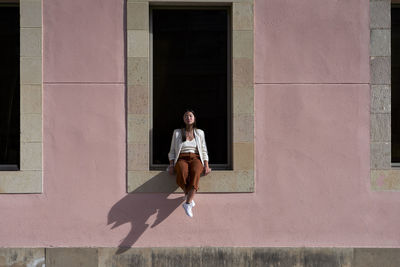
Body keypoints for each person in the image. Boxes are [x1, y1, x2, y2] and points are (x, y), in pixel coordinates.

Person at [168, 109, 211, 217]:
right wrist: (172, 165)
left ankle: (187, 202)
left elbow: (204, 149)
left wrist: (206, 165)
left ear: (194, 118)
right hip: (182, 158)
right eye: (186, 116)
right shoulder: (177, 132)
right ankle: (190, 199)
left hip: (195, 158)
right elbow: (172, 150)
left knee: (196, 172)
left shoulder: (200, 132)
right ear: (183, 119)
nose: (188, 118)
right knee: (182, 172)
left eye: (190, 116)